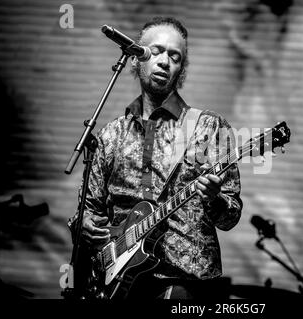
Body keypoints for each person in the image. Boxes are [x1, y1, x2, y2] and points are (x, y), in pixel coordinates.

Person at [67, 16, 242, 299]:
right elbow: (87, 209)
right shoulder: (112, 134)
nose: (164, 62)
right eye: (157, 51)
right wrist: (84, 223)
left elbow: (230, 216)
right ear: (137, 59)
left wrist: (214, 198)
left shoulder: (208, 127)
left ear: (180, 70)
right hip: (116, 282)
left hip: (182, 281)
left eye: (175, 57)